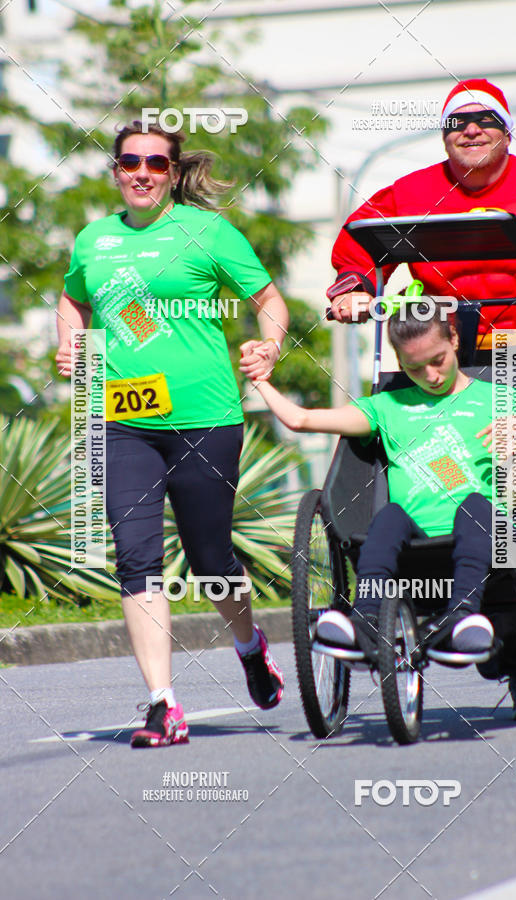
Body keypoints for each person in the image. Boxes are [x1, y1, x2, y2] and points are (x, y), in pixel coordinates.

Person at [326, 78, 516, 719]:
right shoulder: (410, 194)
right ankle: (432, 607)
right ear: (444, 134)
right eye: (457, 123)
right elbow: (358, 247)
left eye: (485, 121)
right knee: (413, 485)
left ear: (507, 130)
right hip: (436, 359)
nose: (471, 131)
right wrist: (353, 288)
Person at [56, 121, 287, 748]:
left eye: (155, 163)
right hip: (122, 418)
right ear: (115, 169)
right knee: (136, 557)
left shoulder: (207, 232)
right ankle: (163, 704)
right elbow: (74, 299)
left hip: (204, 417)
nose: (141, 172)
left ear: (173, 171)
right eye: (129, 161)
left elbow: (267, 297)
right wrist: (70, 344)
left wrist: (268, 344)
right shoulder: (94, 240)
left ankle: (248, 645)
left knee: (210, 559)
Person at [253, 302, 516, 665]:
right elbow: (302, 419)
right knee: (388, 517)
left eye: (438, 360)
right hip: (415, 540)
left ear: (454, 339)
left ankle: (463, 619)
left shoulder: (498, 397)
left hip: (489, 535)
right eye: (414, 368)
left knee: (475, 506)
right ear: (400, 363)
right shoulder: (386, 406)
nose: (430, 375)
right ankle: (363, 622)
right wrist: (259, 380)